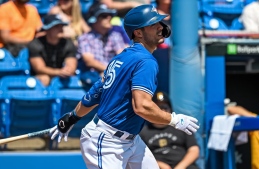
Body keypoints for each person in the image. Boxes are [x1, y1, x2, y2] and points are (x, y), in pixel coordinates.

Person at [50, 4, 199, 169]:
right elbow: (141, 107)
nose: (160, 27)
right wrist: (174, 120)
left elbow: (94, 95)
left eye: (159, 23)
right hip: (107, 141)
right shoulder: (145, 61)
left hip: (131, 140)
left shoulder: (121, 57)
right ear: (138, 32)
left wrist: (72, 117)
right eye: (153, 24)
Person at [140, 91, 200, 169]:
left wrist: (180, 167)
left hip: (183, 166)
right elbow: (140, 156)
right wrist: (160, 165)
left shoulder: (181, 126)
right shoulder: (143, 131)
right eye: (159, 108)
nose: (163, 110)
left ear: (170, 109)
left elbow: (194, 150)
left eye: (165, 107)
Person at [77, 4, 127, 86]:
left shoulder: (115, 35)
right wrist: (110, 72)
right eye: (104, 16)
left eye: (110, 15)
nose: (109, 18)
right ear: (94, 20)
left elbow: (123, 57)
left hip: (113, 75)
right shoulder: (85, 38)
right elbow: (90, 62)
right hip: (92, 77)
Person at [27, 15, 77, 86]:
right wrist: (58, 72)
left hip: (61, 75)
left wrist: (68, 70)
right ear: (48, 29)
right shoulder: (36, 44)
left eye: (61, 26)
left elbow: (71, 64)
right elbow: (39, 68)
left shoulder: (68, 43)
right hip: (42, 76)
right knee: (45, 78)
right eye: (56, 27)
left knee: (72, 79)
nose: (61, 29)